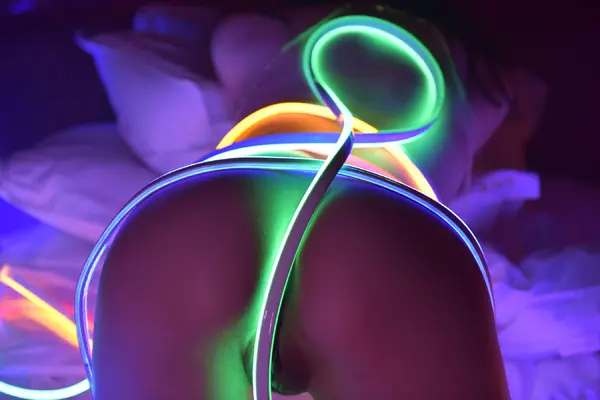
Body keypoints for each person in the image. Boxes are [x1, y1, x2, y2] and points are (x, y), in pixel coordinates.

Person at [91, 5, 513, 399]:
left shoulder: (280, 44)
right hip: (382, 227)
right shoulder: (481, 90)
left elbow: (233, 37)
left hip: (204, 218)